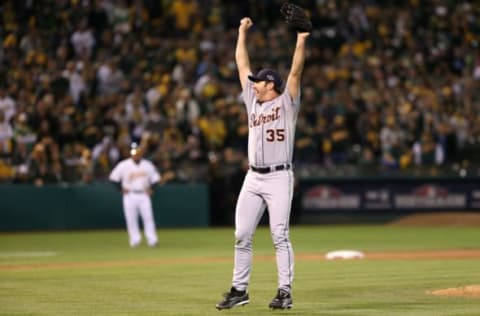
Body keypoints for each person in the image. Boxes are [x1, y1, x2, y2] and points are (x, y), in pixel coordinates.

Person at [216, 17, 309, 310]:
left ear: (271, 84)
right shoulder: (252, 102)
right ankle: (239, 290)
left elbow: (296, 71)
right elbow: (241, 63)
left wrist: (302, 38)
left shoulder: (287, 103)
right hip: (253, 178)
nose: (253, 84)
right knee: (241, 235)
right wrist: (241, 32)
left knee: (279, 235)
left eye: (258, 81)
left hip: (280, 176)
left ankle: (285, 291)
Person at [109, 142, 161, 247]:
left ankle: (152, 240)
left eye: (138, 152)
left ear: (141, 153)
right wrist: (120, 188)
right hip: (129, 195)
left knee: (148, 217)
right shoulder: (123, 165)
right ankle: (135, 240)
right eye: (134, 152)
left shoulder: (147, 165)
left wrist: (152, 189)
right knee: (131, 218)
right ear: (131, 153)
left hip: (144, 195)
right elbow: (113, 178)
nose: (136, 154)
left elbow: (156, 179)